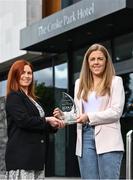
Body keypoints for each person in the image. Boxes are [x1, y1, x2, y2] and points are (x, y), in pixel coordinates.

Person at [53, 43, 125, 179]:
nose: (96, 62)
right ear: (87, 62)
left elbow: (116, 112)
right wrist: (64, 116)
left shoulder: (116, 81)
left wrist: (88, 117)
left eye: (100, 59)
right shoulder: (80, 83)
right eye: (92, 59)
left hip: (108, 139)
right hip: (84, 137)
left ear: (106, 61)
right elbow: (78, 114)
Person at [5, 59, 64, 180]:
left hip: (36, 159)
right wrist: (47, 119)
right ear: (15, 75)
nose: (27, 76)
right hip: (22, 159)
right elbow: (24, 121)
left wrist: (55, 123)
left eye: (29, 73)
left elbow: (38, 124)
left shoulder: (33, 99)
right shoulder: (13, 96)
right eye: (23, 72)